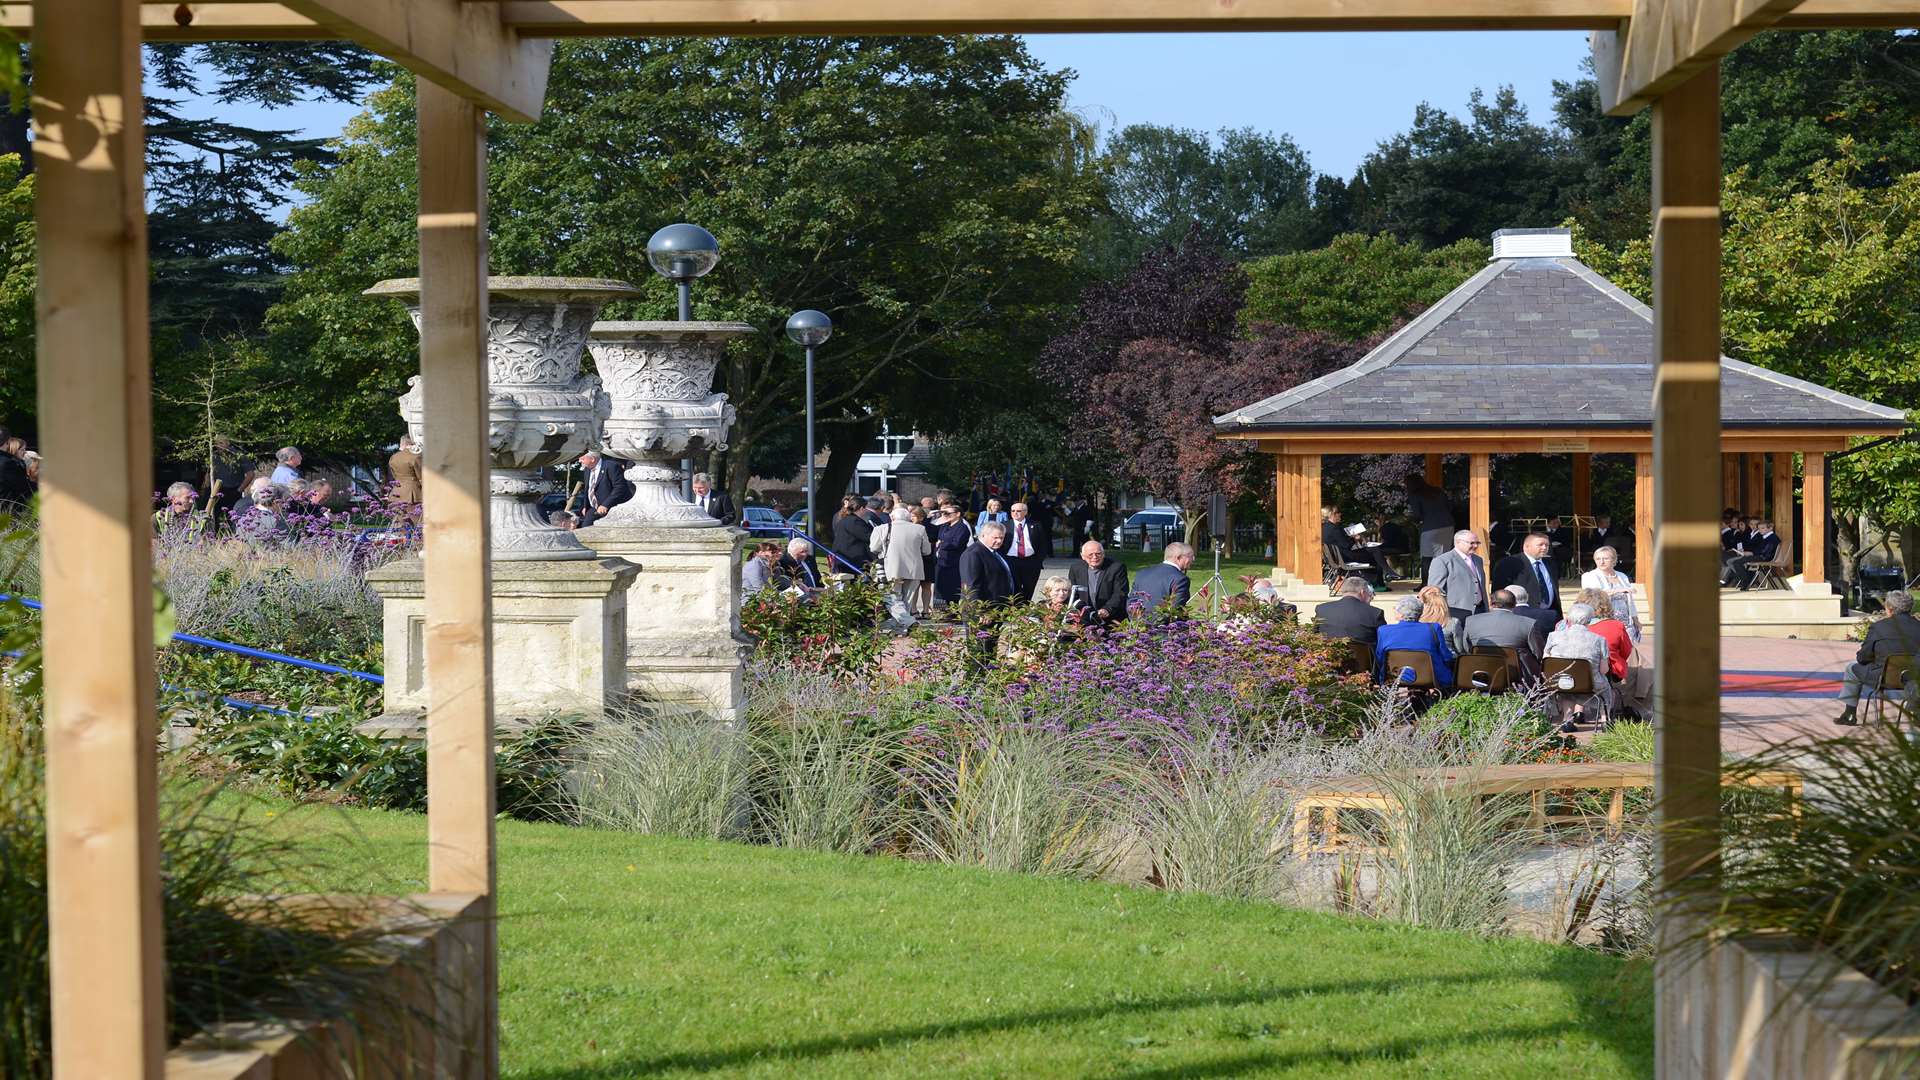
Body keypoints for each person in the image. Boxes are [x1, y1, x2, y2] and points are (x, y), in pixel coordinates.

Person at [1836, 589, 1920, 726]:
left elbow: (1862, 658)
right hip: (1914, 677)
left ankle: (1850, 714)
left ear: (1890, 609)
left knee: (1851, 668)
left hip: (1883, 678)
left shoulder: (1878, 627)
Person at [1545, 602, 1615, 729]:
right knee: (1605, 687)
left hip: (1561, 682)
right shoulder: (1599, 640)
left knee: (1568, 685)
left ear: (1569, 618)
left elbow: (1546, 661)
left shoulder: (1553, 636)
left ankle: (1567, 721)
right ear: (1590, 620)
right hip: (1590, 683)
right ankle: (1605, 720)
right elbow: (1604, 670)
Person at [1375, 593, 1455, 687]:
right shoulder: (1433, 628)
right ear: (1420, 613)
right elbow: (1446, 656)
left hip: (1395, 677)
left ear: (1400, 614)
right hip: (1432, 678)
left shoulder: (1384, 631)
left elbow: (1380, 658)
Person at [1464, 588, 1545, 673]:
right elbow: (1539, 653)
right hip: (1517, 677)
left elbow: (1467, 649)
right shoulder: (1528, 623)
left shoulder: (1471, 621)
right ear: (1514, 605)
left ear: (1491, 603)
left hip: (1481, 674)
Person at [870, 506, 932, 615]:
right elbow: (927, 551)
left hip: (892, 568)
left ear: (892, 517)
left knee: (894, 599)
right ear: (908, 517)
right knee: (907, 600)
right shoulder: (920, 529)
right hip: (913, 569)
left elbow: (874, 548)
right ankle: (904, 627)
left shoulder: (880, 529)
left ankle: (902, 626)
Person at [1426, 529, 1488, 624]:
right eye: (1471, 543)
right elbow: (1435, 591)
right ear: (1458, 542)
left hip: (1480, 610)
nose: (1475, 546)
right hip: (1456, 613)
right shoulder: (1442, 561)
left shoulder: (1478, 560)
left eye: (1477, 543)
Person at [1322, 506, 1394, 587]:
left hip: (1338, 557)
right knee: (1376, 553)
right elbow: (1347, 545)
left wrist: (1351, 538)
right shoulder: (1334, 529)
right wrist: (1355, 538)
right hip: (1345, 557)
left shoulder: (1325, 527)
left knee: (1374, 551)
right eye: (1338, 513)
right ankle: (1382, 578)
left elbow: (1341, 542)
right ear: (1332, 515)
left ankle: (1380, 579)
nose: (1340, 514)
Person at [1581, 546, 1640, 642]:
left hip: (1625, 623)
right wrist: (1619, 590)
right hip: (1602, 621)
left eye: (1605, 558)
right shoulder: (1589, 576)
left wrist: (1635, 620)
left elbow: (1630, 601)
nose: (1601, 562)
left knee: (1628, 653)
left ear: (1614, 560)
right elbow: (1595, 595)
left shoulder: (1622, 576)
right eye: (1598, 559)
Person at [1493, 531, 1561, 614]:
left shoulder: (1550, 563)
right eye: (1540, 545)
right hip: (1522, 616)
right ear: (1526, 546)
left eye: (1547, 545)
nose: (1544, 548)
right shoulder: (1509, 563)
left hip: (1548, 615)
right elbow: (1499, 592)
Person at [1403, 474, 1455, 579]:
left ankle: (1425, 584)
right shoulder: (1438, 491)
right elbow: (1449, 507)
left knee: (1427, 557)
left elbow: (1417, 514)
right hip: (1447, 525)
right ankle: (1443, 582)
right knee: (1443, 557)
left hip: (1429, 527)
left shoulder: (1415, 494)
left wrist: (1415, 521)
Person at [1068, 540, 1130, 628]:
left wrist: (1107, 609)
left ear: (1103, 554)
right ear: (1083, 556)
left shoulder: (1116, 568)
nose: (1095, 557)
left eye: (1098, 554)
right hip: (1085, 618)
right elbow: (1074, 594)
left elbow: (1120, 593)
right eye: (1090, 554)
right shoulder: (1076, 568)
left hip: (1111, 617)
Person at [1314, 576, 1386, 646]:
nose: (1371, 597)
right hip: (1363, 657)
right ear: (1362, 592)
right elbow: (1384, 641)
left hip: (1330, 656)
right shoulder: (1375, 613)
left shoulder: (1322, 609)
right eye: (1370, 595)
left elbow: (1314, 636)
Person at [957, 521, 1015, 606]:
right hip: (984, 611)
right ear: (983, 535)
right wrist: (979, 612)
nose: (999, 541)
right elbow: (971, 586)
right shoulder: (973, 554)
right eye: (995, 537)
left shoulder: (996, 551)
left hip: (998, 607)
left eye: (1001, 538)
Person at [1133, 541, 1195, 614]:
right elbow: (1175, 610)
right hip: (1164, 624)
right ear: (1179, 557)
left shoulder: (1142, 573)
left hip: (1139, 623)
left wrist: (1137, 621)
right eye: (1190, 556)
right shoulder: (1181, 579)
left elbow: (1131, 602)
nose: (1193, 559)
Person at [1003, 501, 1047, 601]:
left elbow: (1043, 544)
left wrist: (1038, 561)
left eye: (1018, 511)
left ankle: (1025, 609)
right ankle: (1015, 609)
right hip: (1011, 560)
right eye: (1013, 511)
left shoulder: (1035, 525)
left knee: (1029, 588)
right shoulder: (1004, 526)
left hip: (1031, 561)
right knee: (1014, 588)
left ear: (1025, 512)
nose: (1015, 513)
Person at [932, 500, 974, 605]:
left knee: (952, 588)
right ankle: (946, 609)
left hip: (954, 561)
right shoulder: (945, 526)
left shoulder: (962, 527)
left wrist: (942, 544)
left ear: (958, 514)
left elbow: (957, 543)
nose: (945, 515)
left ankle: (953, 611)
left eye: (948, 513)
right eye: (944, 513)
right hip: (942, 561)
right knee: (942, 587)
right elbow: (937, 537)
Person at [578, 451, 633, 526]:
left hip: (611, 507)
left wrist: (606, 505)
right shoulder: (587, 470)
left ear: (592, 459)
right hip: (594, 508)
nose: (579, 460)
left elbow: (620, 487)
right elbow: (588, 489)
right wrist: (585, 506)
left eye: (582, 458)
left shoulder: (611, 466)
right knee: (585, 527)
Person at [1722, 519, 1781, 589]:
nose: (1760, 530)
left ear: (1770, 528)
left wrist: (1752, 553)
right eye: (1759, 528)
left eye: (1763, 528)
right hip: (1758, 555)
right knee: (1730, 561)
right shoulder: (1765, 537)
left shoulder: (1772, 538)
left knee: (1737, 562)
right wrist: (1748, 552)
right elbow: (1759, 548)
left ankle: (1746, 581)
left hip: (1763, 557)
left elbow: (1766, 551)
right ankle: (1744, 578)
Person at [1417, 584, 1467, 657]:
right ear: (1443, 602)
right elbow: (1460, 649)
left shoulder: (1416, 622)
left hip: (1422, 663)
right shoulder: (1453, 623)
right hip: (1446, 663)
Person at [831, 494, 874, 574]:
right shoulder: (854, 521)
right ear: (861, 509)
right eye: (865, 509)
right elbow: (869, 536)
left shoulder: (847, 519)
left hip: (846, 558)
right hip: (852, 560)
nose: (866, 511)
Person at [908, 505, 938, 615]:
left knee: (926, 586)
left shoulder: (932, 528)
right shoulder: (908, 527)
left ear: (921, 517)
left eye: (914, 516)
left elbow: (935, 543)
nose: (912, 518)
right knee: (914, 586)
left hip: (927, 560)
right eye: (911, 516)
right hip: (914, 559)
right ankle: (914, 609)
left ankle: (925, 610)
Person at [0, 431, 32, 512]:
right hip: (10, 509)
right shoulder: (9, 463)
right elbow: (22, 486)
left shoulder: (15, 463)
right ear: (13, 450)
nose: (25, 452)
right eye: (22, 449)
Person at [389, 434, 422, 507]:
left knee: (400, 518)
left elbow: (394, 476)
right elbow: (422, 478)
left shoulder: (393, 457)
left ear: (402, 443)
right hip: (414, 495)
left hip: (397, 493)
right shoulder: (416, 456)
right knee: (417, 518)